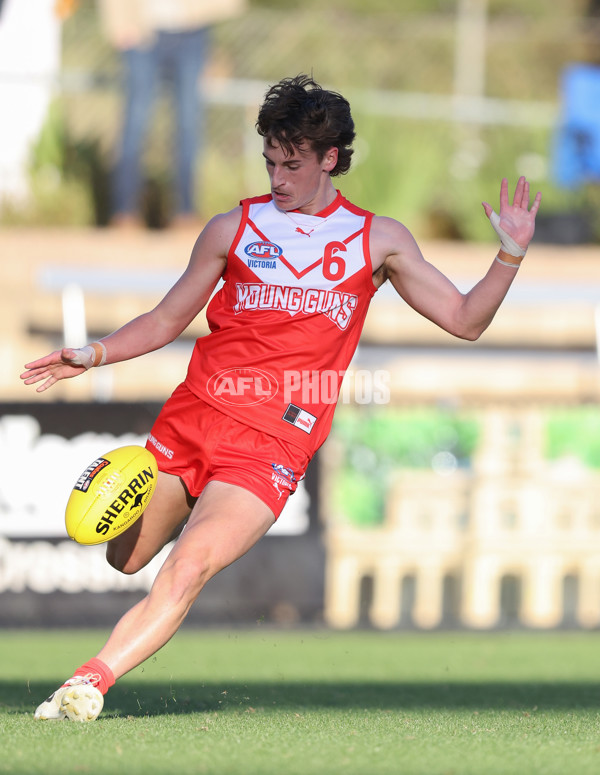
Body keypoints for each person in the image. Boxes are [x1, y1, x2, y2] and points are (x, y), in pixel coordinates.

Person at [21, 74, 541, 722]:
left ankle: (87, 684)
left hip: (270, 444)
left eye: (292, 163)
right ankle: (124, 581)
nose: (278, 176)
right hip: (191, 419)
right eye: (270, 161)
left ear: (330, 158)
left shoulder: (376, 239)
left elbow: (465, 319)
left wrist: (509, 255)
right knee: (124, 557)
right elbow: (163, 320)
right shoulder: (231, 227)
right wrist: (92, 353)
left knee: (188, 566)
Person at [98, 0, 245, 229]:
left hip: (192, 30)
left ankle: (185, 212)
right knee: (134, 124)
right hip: (141, 29)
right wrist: (118, 22)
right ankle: (124, 212)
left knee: (189, 124)